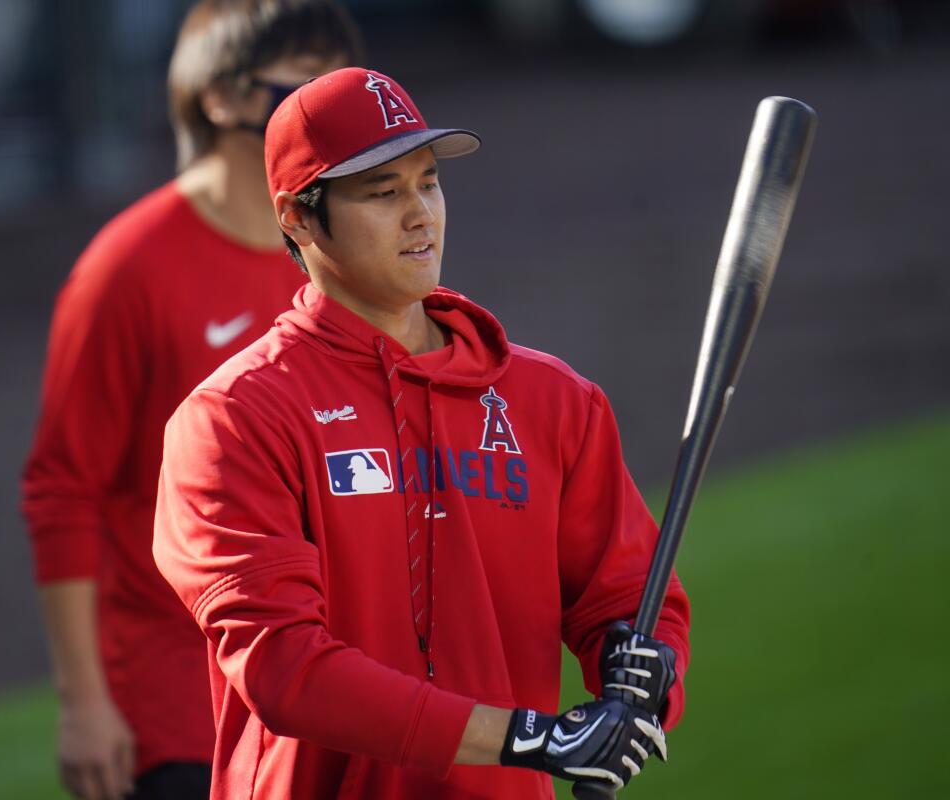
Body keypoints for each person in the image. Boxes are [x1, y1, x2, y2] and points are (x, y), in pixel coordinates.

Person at [152, 67, 691, 798]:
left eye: (429, 183)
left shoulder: (553, 401)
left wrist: (644, 665)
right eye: (383, 193)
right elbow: (284, 668)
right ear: (297, 218)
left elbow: (625, 597)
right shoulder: (235, 420)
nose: (421, 215)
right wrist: (530, 738)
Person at [19, 4, 361, 799]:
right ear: (224, 99)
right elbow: (62, 489)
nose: (326, 99)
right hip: (178, 710)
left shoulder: (342, 257)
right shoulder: (127, 268)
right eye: (305, 74)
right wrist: (83, 703)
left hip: (332, 696)